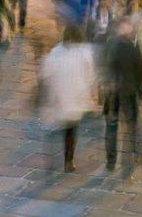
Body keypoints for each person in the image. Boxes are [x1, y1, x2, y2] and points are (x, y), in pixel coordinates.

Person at [37, 25, 97, 172]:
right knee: (70, 131)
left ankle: (55, 161)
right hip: (73, 99)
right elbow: (90, 76)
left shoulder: (56, 52)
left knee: (56, 130)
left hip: (59, 98)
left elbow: (46, 74)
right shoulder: (84, 52)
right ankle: (68, 161)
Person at [102, 19, 142, 171]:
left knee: (111, 127)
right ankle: (135, 154)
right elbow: (141, 72)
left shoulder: (109, 47)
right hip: (129, 93)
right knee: (132, 126)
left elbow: (104, 68)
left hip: (112, 94)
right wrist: (141, 91)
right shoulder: (133, 49)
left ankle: (110, 161)